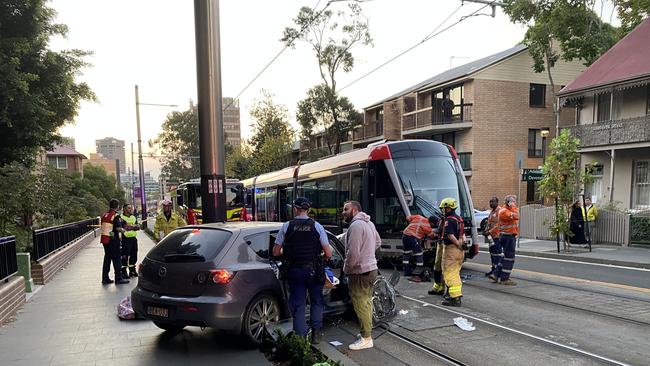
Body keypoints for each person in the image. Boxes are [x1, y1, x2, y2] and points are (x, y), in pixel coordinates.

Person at [272, 197, 332, 345]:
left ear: (295, 209)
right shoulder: (317, 226)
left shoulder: (286, 226)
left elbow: (275, 252)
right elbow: (329, 253)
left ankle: (299, 337)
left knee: (298, 304)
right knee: (317, 301)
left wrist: (287, 253)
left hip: (294, 270)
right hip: (313, 270)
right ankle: (316, 334)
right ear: (309, 210)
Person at [342, 200, 382, 350]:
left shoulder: (356, 226)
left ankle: (366, 338)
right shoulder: (369, 223)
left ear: (354, 210)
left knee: (361, 305)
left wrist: (346, 269)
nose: (343, 212)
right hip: (371, 269)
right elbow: (378, 242)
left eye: (346, 209)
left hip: (360, 271)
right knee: (366, 302)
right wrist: (368, 253)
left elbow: (352, 253)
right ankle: (367, 333)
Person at [438, 198, 465, 307]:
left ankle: (455, 298)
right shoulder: (459, 219)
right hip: (459, 250)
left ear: (448, 208)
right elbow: (462, 234)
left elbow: (450, 235)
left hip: (452, 249)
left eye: (443, 208)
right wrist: (462, 244)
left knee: (450, 273)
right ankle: (450, 294)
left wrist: (457, 244)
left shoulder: (449, 220)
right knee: (455, 271)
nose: (443, 210)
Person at [100, 199, 129, 285]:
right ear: (117, 206)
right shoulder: (115, 216)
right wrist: (124, 230)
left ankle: (105, 278)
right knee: (117, 259)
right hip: (113, 241)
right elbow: (118, 228)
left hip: (105, 240)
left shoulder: (105, 215)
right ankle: (119, 278)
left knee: (107, 259)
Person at [491, 195, 519, 286]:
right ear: (508, 202)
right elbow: (517, 216)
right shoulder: (504, 211)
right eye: (513, 202)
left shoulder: (506, 210)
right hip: (507, 237)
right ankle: (504, 279)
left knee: (506, 256)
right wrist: (513, 206)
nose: (515, 203)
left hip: (508, 236)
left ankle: (496, 274)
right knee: (510, 258)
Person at [401, 214, 434, 281]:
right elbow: (431, 236)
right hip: (412, 237)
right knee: (419, 254)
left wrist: (412, 225)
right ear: (431, 223)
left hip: (405, 235)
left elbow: (408, 217)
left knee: (406, 253)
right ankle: (418, 273)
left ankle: (406, 272)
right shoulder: (427, 225)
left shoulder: (418, 217)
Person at [427, 215, 446, 296]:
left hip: (444, 245)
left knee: (442, 267)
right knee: (437, 267)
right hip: (441, 244)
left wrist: (431, 231)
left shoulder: (443, 221)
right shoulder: (442, 221)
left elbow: (439, 230)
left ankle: (441, 288)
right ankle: (437, 287)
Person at [120, 203, 140, 278]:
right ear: (124, 209)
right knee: (125, 255)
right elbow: (124, 227)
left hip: (133, 239)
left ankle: (132, 270)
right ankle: (124, 272)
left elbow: (137, 227)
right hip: (125, 239)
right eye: (129, 208)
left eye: (130, 208)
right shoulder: (121, 218)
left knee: (134, 254)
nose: (130, 209)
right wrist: (132, 227)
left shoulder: (133, 217)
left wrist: (131, 227)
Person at [485, 197, 503, 277]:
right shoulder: (492, 212)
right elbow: (489, 223)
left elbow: (498, 224)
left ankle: (497, 272)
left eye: (492, 202)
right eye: (490, 202)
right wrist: (486, 231)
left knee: (497, 253)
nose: (491, 203)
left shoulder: (499, 211)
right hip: (490, 237)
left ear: (497, 202)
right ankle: (493, 269)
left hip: (497, 236)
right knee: (492, 253)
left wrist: (489, 231)